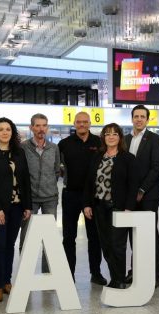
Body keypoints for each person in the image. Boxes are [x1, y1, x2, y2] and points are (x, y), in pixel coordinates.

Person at [0, 117, 32, 303]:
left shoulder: (19, 153)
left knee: (9, 244)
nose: (4, 132)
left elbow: (25, 180)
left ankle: (7, 281)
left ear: (12, 132)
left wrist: (27, 205)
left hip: (17, 207)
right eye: (1, 129)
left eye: (8, 129)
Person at [83, 123, 138, 289]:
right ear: (103, 137)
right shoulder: (98, 156)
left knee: (117, 245)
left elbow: (133, 185)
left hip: (119, 208)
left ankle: (119, 280)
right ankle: (115, 277)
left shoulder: (127, 158)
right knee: (106, 245)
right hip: (99, 207)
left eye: (115, 134)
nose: (111, 137)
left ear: (120, 137)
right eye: (107, 134)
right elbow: (89, 182)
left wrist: (129, 207)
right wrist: (87, 204)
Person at [59, 112, 106, 285]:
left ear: (90, 123)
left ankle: (96, 273)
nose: (82, 125)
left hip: (94, 197)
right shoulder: (64, 144)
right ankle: (68, 274)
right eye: (79, 122)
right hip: (70, 194)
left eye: (85, 122)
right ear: (74, 123)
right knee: (68, 237)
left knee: (95, 237)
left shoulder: (99, 143)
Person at [124, 105, 159, 287]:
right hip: (129, 197)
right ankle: (135, 271)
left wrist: (141, 190)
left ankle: (153, 276)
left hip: (148, 196)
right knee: (133, 234)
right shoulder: (125, 139)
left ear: (148, 120)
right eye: (136, 116)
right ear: (132, 119)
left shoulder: (155, 139)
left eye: (142, 116)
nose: (139, 119)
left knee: (149, 235)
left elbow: (156, 168)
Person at [20, 113, 60, 273]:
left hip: (50, 198)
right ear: (31, 128)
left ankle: (47, 273)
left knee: (49, 238)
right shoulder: (23, 148)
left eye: (44, 125)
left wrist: (48, 184)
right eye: (37, 125)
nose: (41, 129)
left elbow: (56, 171)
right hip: (30, 200)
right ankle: (25, 274)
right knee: (26, 236)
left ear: (47, 127)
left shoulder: (54, 148)